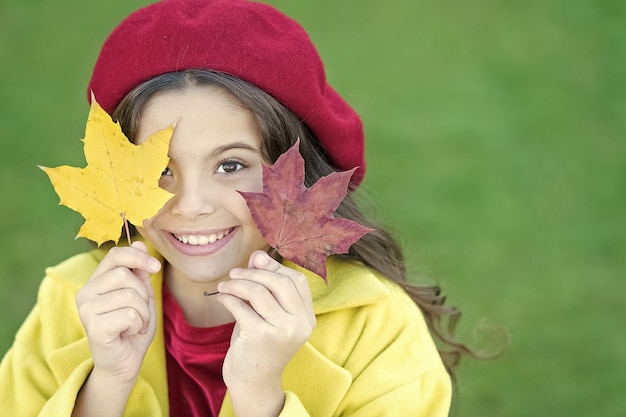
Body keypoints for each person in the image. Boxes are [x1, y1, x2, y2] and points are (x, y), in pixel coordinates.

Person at [0, 0, 474, 415]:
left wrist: (258, 396)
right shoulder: (72, 303)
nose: (190, 205)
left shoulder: (374, 326)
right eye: (161, 169)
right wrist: (107, 384)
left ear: (299, 175)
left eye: (230, 165)